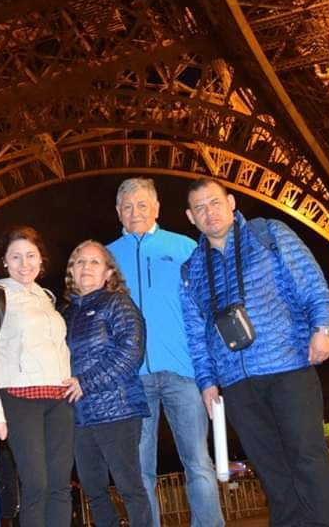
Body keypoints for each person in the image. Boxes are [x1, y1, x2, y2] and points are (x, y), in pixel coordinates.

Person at [180, 177, 329, 527]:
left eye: (214, 202)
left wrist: (324, 327)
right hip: (236, 381)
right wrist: (207, 382)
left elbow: (311, 283)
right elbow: (197, 333)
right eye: (199, 208)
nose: (209, 213)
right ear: (190, 217)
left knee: (308, 457)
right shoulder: (191, 269)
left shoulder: (268, 234)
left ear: (231, 202)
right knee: (270, 469)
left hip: (287, 364)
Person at [106, 178, 224, 527]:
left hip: (183, 370)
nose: (135, 212)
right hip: (132, 378)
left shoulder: (185, 247)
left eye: (142, 204)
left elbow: (208, 308)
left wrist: (210, 369)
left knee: (198, 461)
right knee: (139, 469)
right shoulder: (105, 257)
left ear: (157, 208)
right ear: (118, 212)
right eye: (128, 207)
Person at [0, 226, 74, 527]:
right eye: (15, 257)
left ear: (41, 259)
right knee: (36, 484)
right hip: (20, 399)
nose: (24, 263)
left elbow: (60, 348)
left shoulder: (47, 298)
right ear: (4, 262)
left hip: (59, 399)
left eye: (30, 255)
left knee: (60, 485)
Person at [62, 240, 151, 527]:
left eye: (94, 262)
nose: (86, 267)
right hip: (79, 417)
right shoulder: (63, 314)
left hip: (118, 411)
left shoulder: (118, 303)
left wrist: (85, 383)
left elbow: (131, 353)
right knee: (94, 491)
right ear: (71, 272)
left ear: (108, 273)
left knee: (130, 488)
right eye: (79, 262)